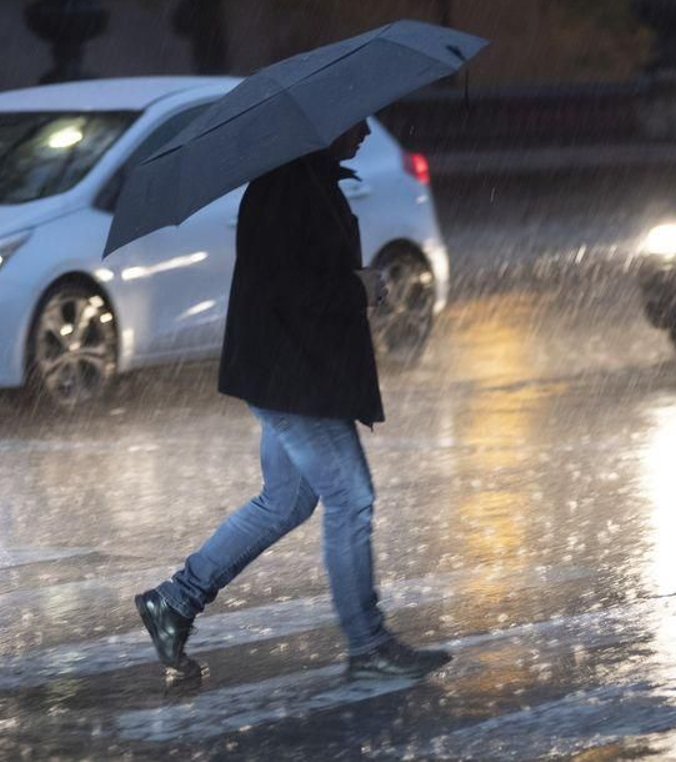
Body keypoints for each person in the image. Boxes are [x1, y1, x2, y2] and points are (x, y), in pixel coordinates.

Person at [134, 121, 452, 680]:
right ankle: (368, 644)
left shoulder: (308, 179)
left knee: (287, 501)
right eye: (354, 123)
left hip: (291, 371)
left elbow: (304, 277)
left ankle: (176, 600)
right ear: (321, 126)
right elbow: (290, 288)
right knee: (351, 499)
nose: (362, 135)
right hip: (294, 376)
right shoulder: (287, 187)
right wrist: (362, 287)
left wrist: (355, 284)